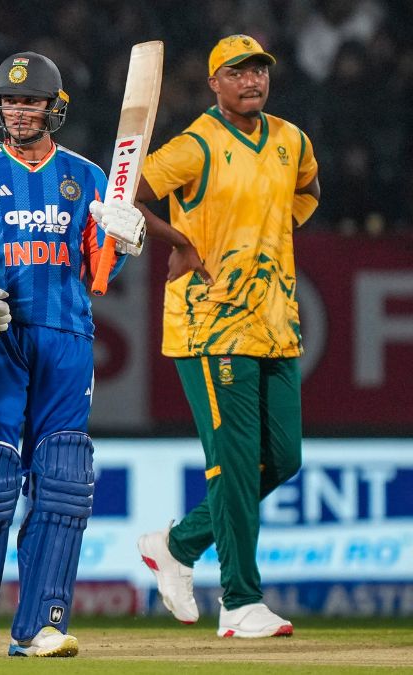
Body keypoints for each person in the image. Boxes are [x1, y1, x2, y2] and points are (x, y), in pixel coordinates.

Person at [0, 52, 145, 658]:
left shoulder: (88, 177)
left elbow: (98, 272)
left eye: (30, 102)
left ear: (54, 109)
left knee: (62, 479)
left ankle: (41, 625)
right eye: (8, 100)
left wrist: (123, 241)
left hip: (67, 336)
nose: (18, 111)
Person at [134, 34, 319, 639]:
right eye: (236, 72)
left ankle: (178, 545)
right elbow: (129, 193)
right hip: (210, 322)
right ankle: (240, 602)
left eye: (258, 70)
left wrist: (268, 228)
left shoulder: (291, 139)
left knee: (283, 458)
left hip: (275, 319)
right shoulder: (197, 144)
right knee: (234, 462)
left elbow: (309, 190)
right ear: (214, 83)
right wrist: (181, 243)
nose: (251, 80)